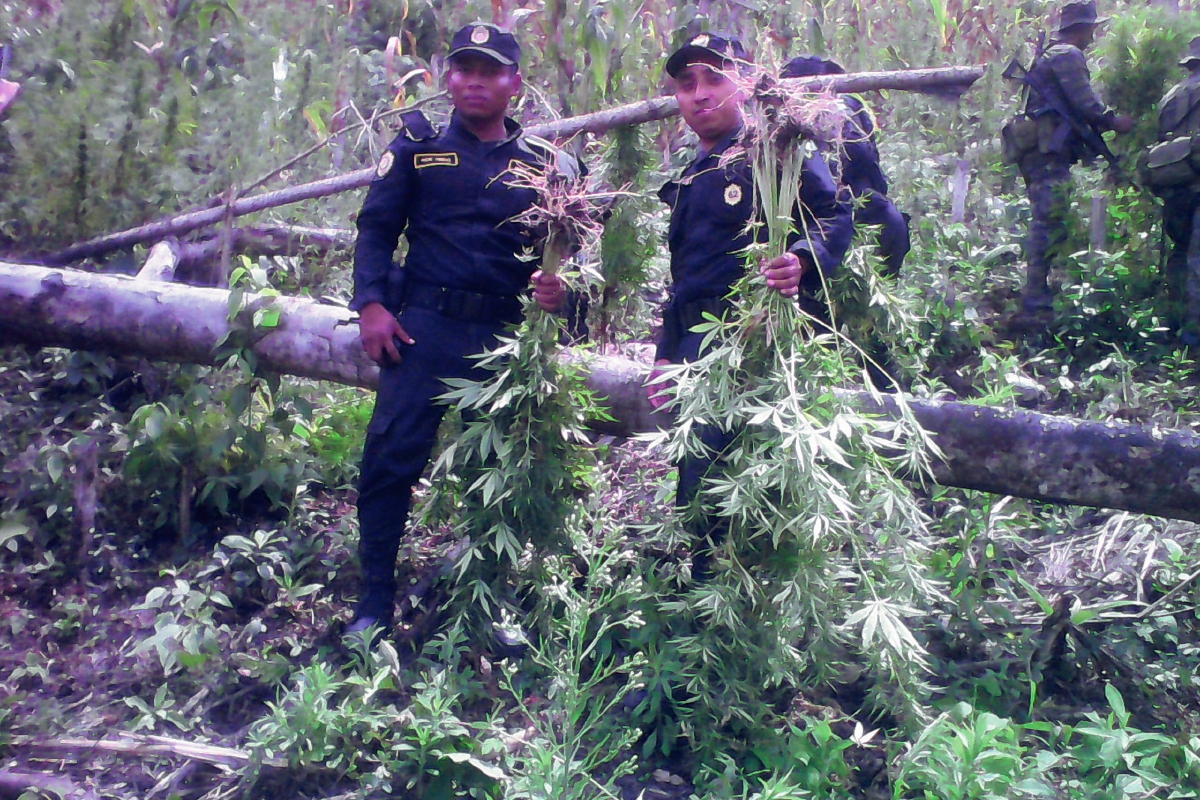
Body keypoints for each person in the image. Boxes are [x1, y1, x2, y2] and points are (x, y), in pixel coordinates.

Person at [349, 22, 582, 634]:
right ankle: (373, 601)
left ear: (515, 83)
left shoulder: (546, 163)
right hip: (423, 329)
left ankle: (488, 603)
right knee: (389, 462)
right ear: (446, 77)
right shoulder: (415, 149)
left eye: (490, 71)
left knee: (500, 471)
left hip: (505, 338)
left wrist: (560, 290)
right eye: (464, 69)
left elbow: (569, 252)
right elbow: (375, 231)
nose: (475, 81)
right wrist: (371, 306)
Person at [654, 33, 854, 579]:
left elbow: (835, 217)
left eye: (714, 78)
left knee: (739, 479)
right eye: (686, 84)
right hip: (700, 341)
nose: (699, 94)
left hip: (760, 337)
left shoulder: (776, 148)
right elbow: (685, 280)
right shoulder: (693, 174)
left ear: (743, 84)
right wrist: (665, 352)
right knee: (698, 472)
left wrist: (800, 258)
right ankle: (707, 597)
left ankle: (732, 599)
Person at [1005, 0, 1134, 314]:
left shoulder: (1054, 53)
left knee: (1053, 219)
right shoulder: (1067, 54)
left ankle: (1042, 288)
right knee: (1048, 220)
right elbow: (1084, 103)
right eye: (1092, 28)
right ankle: (1034, 295)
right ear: (1082, 28)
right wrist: (1114, 122)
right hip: (1046, 151)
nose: (1093, 35)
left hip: (1044, 150)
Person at [780, 54, 910, 277]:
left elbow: (865, 161)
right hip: (807, 210)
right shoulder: (780, 114)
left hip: (850, 201)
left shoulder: (849, 108)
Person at [1149, 36, 1200, 343]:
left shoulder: (1172, 95)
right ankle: (1194, 336)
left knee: (1180, 255)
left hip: (1174, 187)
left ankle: (1174, 325)